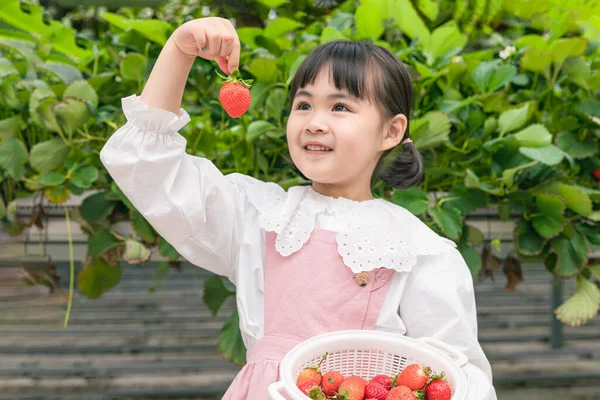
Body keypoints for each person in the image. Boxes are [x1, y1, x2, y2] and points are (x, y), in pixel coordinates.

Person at [100, 16, 497, 400]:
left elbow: (456, 376)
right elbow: (150, 168)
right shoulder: (262, 216)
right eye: (304, 105)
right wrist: (178, 50)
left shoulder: (418, 250)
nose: (315, 122)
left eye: (340, 108)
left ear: (391, 131)